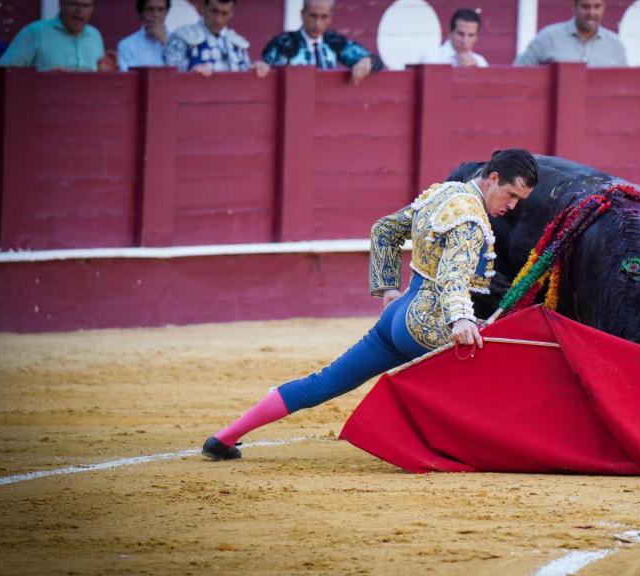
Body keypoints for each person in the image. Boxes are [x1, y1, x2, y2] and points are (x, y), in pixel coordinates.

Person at [201, 149, 539, 460]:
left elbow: (385, 230)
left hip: (399, 315)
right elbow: (453, 275)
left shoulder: (443, 193)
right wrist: (461, 319)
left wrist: (388, 290)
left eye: (519, 200)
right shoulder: (470, 219)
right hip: (428, 324)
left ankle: (224, 438)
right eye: (511, 194)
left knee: (325, 382)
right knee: (500, 374)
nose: (511, 206)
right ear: (493, 177)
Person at [261, 0, 382, 85]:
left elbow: (375, 60)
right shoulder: (284, 43)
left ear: (331, 17)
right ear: (302, 14)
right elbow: (265, 71)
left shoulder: (334, 41)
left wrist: (367, 62)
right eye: (313, 16)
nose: (317, 23)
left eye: (324, 17)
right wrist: (263, 67)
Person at [0, 0, 117, 71]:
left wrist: (102, 73)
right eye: (73, 4)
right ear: (61, 4)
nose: (79, 11)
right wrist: (45, 79)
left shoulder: (95, 35)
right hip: (44, 108)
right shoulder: (35, 32)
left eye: (85, 6)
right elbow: (5, 73)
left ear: (92, 8)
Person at [163, 0, 269, 77]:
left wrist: (256, 69)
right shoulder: (182, 37)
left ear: (232, 13)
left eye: (224, 13)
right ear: (203, 8)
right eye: (214, 11)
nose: (218, 20)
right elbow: (168, 78)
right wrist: (190, 76)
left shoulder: (237, 44)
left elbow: (244, 80)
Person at [514, 0, 626, 67]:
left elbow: (624, 86)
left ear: (603, 7)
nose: (592, 13)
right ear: (574, 7)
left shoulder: (615, 45)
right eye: (585, 7)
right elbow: (519, 71)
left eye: (597, 7)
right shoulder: (549, 38)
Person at [420, 8, 488, 68]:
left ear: (476, 37)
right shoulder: (431, 59)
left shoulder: (480, 63)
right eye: (460, 34)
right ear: (450, 33)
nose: (465, 40)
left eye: (471, 35)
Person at [117, 0, 170, 71]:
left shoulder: (179, 43)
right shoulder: (127, 45)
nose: (155, 14)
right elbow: (128, 78)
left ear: (166, 13)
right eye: (150, 9)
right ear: (141, 13)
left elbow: (182, 72)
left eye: (160, 10)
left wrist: (165, 42)